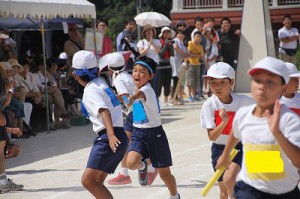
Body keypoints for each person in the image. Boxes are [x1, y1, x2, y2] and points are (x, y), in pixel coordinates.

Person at [216, 56, 300, 199]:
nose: (262, 86)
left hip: (282, 191)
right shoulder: (244, 114)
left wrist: (278, 134)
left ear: (283, 88)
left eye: (270, 82)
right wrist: (225, 155)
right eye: (257, 80)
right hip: (250, 188)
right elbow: (235, 132)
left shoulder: (288, 120)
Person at [72, 50, 128, 199]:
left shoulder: (91, 90)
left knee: (88, 181)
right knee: (97, 181)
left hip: (109, 136)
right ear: (97, 70)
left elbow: (104, 111)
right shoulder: (101, 83)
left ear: (75, 75)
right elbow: (113, 101)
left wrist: (110, 135)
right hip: (121, 132)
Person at [125, 56, 180, 199]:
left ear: (151, 76)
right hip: (138, 132)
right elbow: (133, 105)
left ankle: (175, 196)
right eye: (135, 70)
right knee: (130, 163)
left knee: (165, 174)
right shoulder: (136, 89)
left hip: (155, 134)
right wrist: (117, 97)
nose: (137, 74)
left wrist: (129, 99)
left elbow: (137, 96)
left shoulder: (146, 90)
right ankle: (143, 166)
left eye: (143, 71)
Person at [200, 62, 254, 199]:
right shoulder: (209, 105)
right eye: (213, 82)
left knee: (229, 178)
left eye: (222, 82)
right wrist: (224, 122)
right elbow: (211, 136)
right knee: (223, 191)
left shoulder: (244, 102)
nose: (217, 87)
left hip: (239, 148)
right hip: (219, 150)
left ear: (232, 82)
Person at [0, 63, 23, 193]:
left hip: (2, 119)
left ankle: (3, 181)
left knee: (1, 147)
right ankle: (2, 182)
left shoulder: (6, 83)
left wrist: (9, 92)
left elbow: (6, 103)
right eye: (8, 71)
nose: (11, 73)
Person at [136, 25, 161, 96]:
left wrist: (151, 42)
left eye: (150, 30)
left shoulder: (157, 41)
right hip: (146, 65)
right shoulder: (142, 42)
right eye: (147, 31)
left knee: (155, 83)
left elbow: (158, 51)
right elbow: (141, 53)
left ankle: (155, 99)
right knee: (146, 83)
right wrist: (148, 46)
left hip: (155, 65)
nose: (148, 32)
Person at [170, 30, 189, 104]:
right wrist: (184, 54)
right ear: (177, 35)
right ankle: (173, 98)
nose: (181, 35)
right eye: (179, 34)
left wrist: (187, 55)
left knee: (178, 80)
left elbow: (186, 53)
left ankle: (177, 97)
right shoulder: (175, 40)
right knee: (175, 80)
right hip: (174, 63)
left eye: (182, 34)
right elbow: (175, 47)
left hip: (180, 64)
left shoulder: (183, 44)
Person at [158, 27, 175, 106]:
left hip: (168, 64)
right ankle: (158, 100)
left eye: (168, 32)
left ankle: (166, 100)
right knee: (160, 83)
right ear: (162, 34)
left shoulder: (170, 42)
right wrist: (166, 45)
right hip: (160, 64)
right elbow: (160, 54)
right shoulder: (159, 42)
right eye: (165, 32)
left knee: (167, 83)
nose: (167, 34)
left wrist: (170, 45)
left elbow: (172, 54)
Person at [187, 31, 204, 102]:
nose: (198, 38)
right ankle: (189, 96)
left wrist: (195, 55)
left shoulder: (200, 46)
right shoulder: (190, 43)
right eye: (197, 36)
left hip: (197, 64)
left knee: (196, 81)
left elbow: (202, 56)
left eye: (200, 37)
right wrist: (197, 55)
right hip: (190, 64)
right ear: (194, 37)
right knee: (190, 81)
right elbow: (189, 54)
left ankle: (194, 95)